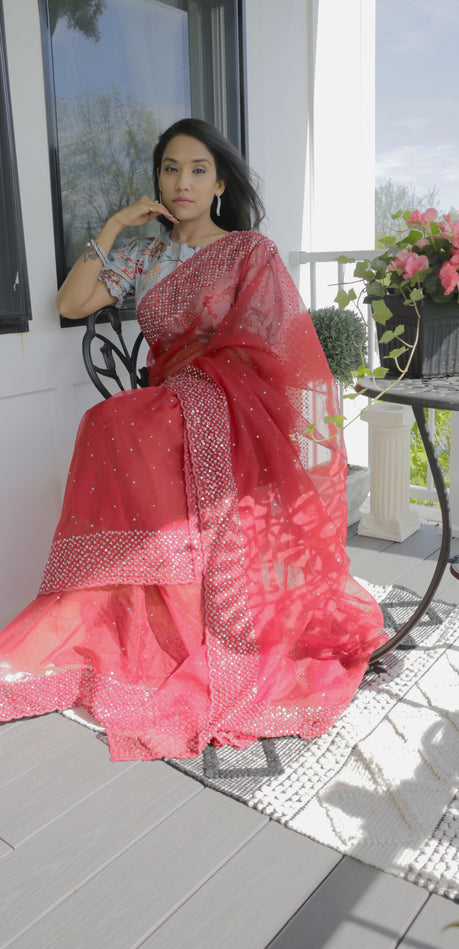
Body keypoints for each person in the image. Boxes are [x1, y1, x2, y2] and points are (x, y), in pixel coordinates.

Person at [0, 118, 386, 760]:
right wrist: (113, 227)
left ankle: (207, 623)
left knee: (118, 421)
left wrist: (222, 389)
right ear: (158, 179)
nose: (182, 182)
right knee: (109, 422)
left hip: (235, 404)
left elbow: (277, 346)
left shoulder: (248, 250)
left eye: (198, 170)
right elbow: (70, 305)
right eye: (170, 168)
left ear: (220, 183)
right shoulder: (141, 255)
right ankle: (148, 601)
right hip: (172, 401)